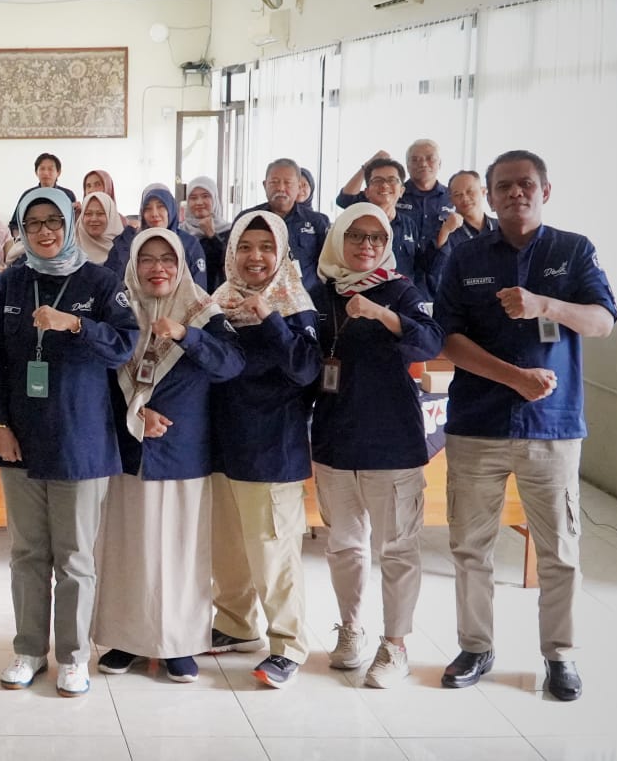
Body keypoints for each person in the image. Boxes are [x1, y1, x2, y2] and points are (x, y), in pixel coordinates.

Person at [435, 150, 616, 702]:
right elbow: (446, 337)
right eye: (505, 186)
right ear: (488, 197)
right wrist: (513, 377)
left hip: (552, 428)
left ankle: (559, 656)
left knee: (559, 549)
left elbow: (603, 321)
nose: (517, 193)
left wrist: (546, 304)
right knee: (470, 547)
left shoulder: (573, 250)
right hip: (477, 425)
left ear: (546, 191)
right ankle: (476, 646)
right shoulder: (465, 258)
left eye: (527, 184)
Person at [0, 188, 136, 697]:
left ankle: (71, 656)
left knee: (73, 557)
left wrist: (76, 325)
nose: (44, 231)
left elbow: (123, 346)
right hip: (19, 438)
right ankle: (28, 649)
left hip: (79, 437)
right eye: (34, 222)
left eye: (53, 221)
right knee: (27, 553)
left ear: (68, 224)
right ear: (21, 229)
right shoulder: (9, 284)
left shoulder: (101, 281)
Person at [93, 229, 243, 685]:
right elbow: (99, 377)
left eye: (167, 260)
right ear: (133, 266)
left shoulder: (201, 311)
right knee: (127, 550)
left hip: (183, 454)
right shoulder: (120, 310)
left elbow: (231, 364)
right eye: (147, 259)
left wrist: (185, 335)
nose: (157, 268)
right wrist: (137, 415)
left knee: (181, 553)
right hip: (128, 452)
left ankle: (178, 644)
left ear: (181, 266)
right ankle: (126, 639)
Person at [309, 202, 444, 689]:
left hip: (392, 443)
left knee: (398, 548)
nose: (366, 245)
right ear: (338, 238)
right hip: (335, 440)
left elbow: (430, 344)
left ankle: (396, 644)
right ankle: (350, 630)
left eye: (375, 237)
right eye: (355, 236)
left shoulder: (402, 290)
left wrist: (383, 314)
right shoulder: (320, 291)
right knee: (344, 546)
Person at [207, 212, 321, 681]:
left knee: (272, 552)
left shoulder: (295, 304)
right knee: (229, 549)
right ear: (232, 252)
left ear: (281, 253)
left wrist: (270, 319)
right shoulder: (217, 302)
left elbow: (306, 370)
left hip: (272, 450)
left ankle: (289, 644)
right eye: (246, 247)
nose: (255, 257)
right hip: (222, 446)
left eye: (266, 247)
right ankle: (235, 624)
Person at [336, 140, 454, 248]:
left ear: (440, 163)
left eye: (430, 158)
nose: (423, 164)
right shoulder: (391, 193)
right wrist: (367, 167)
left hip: (437, 266)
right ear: (407, 166)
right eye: (415, 159)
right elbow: (346, 200)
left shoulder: (453, 196)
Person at [237, 158, 329, 294]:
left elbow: (327, 265)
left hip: (306, 302)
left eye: (288, 183)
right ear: (264, 185)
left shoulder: (317, 221)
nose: (281, 188)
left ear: (298, 186)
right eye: (274, 182)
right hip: (258, 300)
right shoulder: (247, 218)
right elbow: (231, 262)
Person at [361, 157, 445, 296]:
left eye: (392, 180)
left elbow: (420, 266)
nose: (385, 185)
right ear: (367, 192)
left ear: (401, 191)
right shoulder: (354, 223)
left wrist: (444, 234)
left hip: (403, 301)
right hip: (366, 300)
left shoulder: (409, 224)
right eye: (377, 180)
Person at [104, 185, 209, 289]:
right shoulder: (133, 242)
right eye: (148, 208)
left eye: (160, 206)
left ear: (170, 209)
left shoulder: (189, 243)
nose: (154, 214)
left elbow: (198, 288)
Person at [180, 176, 229, 291]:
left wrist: (212, 235)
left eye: (205, 196)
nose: (199, 202)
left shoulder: (229, 230)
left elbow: (230, 265)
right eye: (193, 198)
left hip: (219, 296)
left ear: (215, 199)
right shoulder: (180, 231)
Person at [7, 153, 77, 231]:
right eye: (42, 169)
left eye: (50, 169)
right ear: (36, 172)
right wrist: (20, 239)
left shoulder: (67, 195)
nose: (46, 173)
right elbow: (14, 224)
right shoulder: (28, 195)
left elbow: (74, 224)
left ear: (58, 172)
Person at [76, 191, 124, 266]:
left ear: (111, 216)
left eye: (100, 213)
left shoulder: (125, 249)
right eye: (88, 213)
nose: (94, 219)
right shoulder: (70, 254)